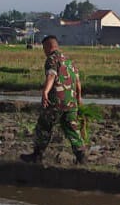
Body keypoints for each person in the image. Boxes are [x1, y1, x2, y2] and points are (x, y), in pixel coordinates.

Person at [21, 35, 87, 164]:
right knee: (72, 128)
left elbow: (51, 75)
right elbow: (77, 82)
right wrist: (79, 98)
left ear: (48, 46)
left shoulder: (52, 59)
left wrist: (45, 92)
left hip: (56, 102)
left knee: (44, 126)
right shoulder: (69, 61)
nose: (44, 52)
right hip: (71, 102)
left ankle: (37, 155)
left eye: (44, 49)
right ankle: (81, 157)